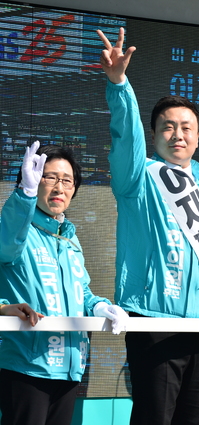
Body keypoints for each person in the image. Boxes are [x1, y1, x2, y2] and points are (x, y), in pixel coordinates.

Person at [98, 28, 199, 425]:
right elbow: (124, 139)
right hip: (154, 322)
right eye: (167, 126)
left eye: (186, 127)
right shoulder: (139, 178)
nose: (177, 134)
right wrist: (119, 84)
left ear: (197, 137)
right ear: (155, 134)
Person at [0, 142, 128, 425]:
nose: (60, 187)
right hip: (27, 366)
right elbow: (6, 242)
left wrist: (101, 307)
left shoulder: (69, 238)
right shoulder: (16, 231)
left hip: (70, 367)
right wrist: (25, 195)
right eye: (50, 178)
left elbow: (81, 291)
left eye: (67, 181)